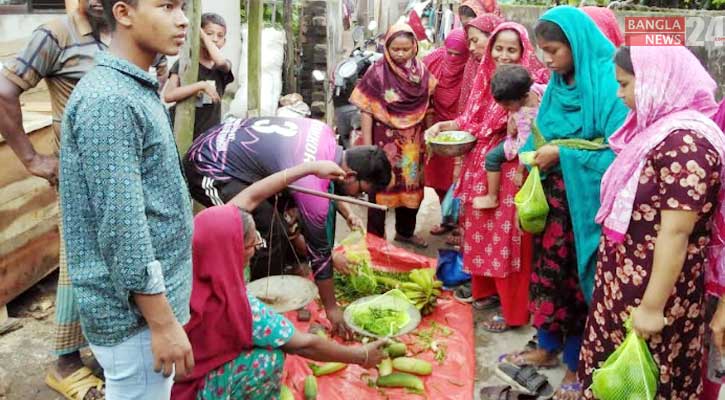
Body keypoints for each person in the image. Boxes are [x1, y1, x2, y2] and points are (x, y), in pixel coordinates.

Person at [59, 0, 194, 399]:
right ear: (123, 13)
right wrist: (162, 323)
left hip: (147, 313)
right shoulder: (110, 101)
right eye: (167, 6)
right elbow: (123, 229)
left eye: (182, 6)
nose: (182, 18)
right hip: (135, 319)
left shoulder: (134, 85)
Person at [172, 161, 388, 399]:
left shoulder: (189, 256)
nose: (255, 249)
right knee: (270, 357)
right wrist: (362, 356)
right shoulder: (236, 305)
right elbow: (304, 343)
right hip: (191, 390)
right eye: (250, 245)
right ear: (232, 250)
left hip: (171, 375)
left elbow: (252, 197)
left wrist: (310, 169)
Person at [498, 7, 629, 399]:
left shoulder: (609, 84)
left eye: (554, 50)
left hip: (586, 209)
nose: (547, 60)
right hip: (554, 206)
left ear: (576, 44)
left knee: (578, 285)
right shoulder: (558, 82)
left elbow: (620, 154)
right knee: (548, 279)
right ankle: (547, 347)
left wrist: (564, 156)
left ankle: (577, 363)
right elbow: (543, 131)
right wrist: (533, 152)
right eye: (542, 51)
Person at [580, 45, 724, 399]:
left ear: (657, 82)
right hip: (630, 277)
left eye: (625, 84)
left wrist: (651, 307)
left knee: (646, 374)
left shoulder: (686, 144)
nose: (619, 93)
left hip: (654, 288)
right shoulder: (659, 132)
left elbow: (676, 231)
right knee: (617, 370)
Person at [183, 116, 392, 339]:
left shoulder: (327, 140)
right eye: (361, 190)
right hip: (209, 165)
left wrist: (347, 213)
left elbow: (327, 186)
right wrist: (332, 309)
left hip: (227, 144)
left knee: (285, 219)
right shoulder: (314, 185)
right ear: (350, 175)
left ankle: (274, 279)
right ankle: (256, 312)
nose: (359, 196)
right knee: (264, 235)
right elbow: (319, 255)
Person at [426, 22, 548, 333]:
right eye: (499, 48)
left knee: (509, 242)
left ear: (524, 52)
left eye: (512, 49)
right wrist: (444, 126)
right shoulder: (484, 80)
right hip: (480, 170)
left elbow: (535, 132)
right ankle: (485, 292)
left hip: (511, 174)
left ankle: (514, 311)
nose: (504, 55)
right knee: (480, 234)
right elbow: (471, 120)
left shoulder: (531, 88)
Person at [349, 23, 437, 249]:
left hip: (412, 146)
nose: (400, 54)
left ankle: (405, 232)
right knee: (378, 189)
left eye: (405, 49)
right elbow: (367, 110)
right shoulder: (376, 72)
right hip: (383, 145)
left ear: (414, 47)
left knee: (411, 188)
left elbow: (428, 107)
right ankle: (376, 240)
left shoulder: (421, 72)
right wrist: (368, 148)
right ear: (386, 47)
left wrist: (430, 137)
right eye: (395, 49)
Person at [472, 63, 544, 210]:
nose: (504, 109)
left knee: (491, 158)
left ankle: (492, 197)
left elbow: (525, 146)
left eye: (507, 105)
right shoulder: (535, 89)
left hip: (525, 144)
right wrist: (512, 115)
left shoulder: (526, 116)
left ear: (521, 97)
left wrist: (519, 170)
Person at [422, 28, 469, 236]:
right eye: (448, 52)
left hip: (462, 130)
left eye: (457, 55)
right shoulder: (432, 62)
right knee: (438, 177)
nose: (451, 58)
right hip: (437, 127)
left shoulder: (474, 69)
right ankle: (445, 218)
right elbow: (422, 90)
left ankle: (461, 223)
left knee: (460, 179)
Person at [164, 12, 234, 140]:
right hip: (178, 129)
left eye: (220, 36)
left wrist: (203, 35)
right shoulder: (185, 63)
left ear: (224, 41)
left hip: (208, 133)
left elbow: (220, 61)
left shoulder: (223, 67)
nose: (215, 39)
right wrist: (200, 86)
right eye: (209, 34)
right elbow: (168, 95)